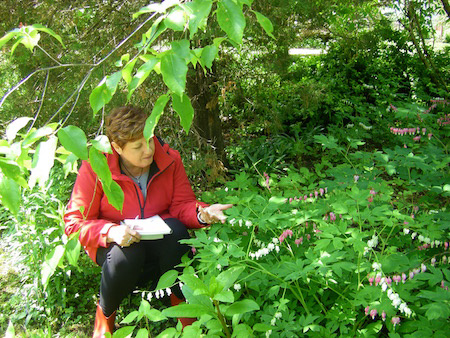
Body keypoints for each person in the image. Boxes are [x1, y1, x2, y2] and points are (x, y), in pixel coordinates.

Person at [64, 106, 232, 337]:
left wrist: (202, 213)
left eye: (150, 140)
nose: (149, 150)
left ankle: (182, 305)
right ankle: (105, 317)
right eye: (138, 146)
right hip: (117, 245)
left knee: (177, 233)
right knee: (127, 254)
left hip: (158, 237)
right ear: (117, 148)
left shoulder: (169, 160)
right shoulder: (96, 167)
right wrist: (111, 231)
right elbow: (74, 223)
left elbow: (182, 204)